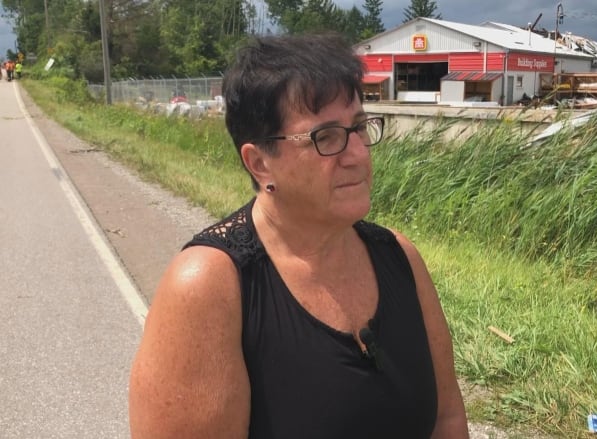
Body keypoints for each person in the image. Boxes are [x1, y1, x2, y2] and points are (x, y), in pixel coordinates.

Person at [128, 32, 470, 439]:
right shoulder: (210, 287)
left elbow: (446, 417)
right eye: (325, 137)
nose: (359, 154)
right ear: (260, 164)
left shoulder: (399, 257)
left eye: (359, 127)